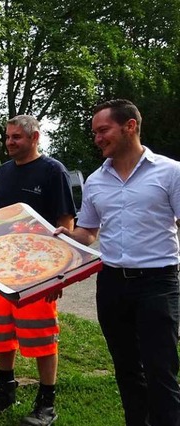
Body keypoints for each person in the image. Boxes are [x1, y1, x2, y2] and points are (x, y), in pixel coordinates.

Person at [54, 99, 180, 426]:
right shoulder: (95, 180)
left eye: (103, 130)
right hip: (111, 284)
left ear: (130, 126)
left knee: (160, 371)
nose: (96, 137)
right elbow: (88, 233)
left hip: (158, 284)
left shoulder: (171, 172)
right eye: (94, 132)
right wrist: (62, 236)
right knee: (126, 370)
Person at [0, 115, 76, 426]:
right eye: (8, 137)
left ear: (34, 137)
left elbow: (66, 223)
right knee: (1, 331)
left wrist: (59, 272)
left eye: (16, 138)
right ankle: (5, 389)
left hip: (38, 268)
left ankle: (46, 403)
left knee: (41, 337)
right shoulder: (4, 171)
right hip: (1, 264)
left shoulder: (53, 171)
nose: (10, 142)